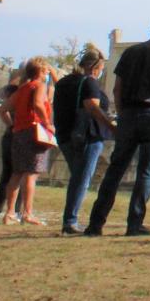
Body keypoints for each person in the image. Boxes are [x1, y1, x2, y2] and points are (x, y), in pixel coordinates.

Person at [87, 17, 150, 236]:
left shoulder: (129, 52)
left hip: (128, 114)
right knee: (146, 172)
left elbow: (117, 88)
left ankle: (95, 224)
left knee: (115, 170)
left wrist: (121, 113)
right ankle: (134, 223)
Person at [53, 48, 114, 235]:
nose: (101, 72)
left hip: (64, 134)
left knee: (77, 177)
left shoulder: (62, 83)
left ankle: (70, 219)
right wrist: (110, 125)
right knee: (81, 179)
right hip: (87, 135)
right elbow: (92, 107)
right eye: (101, 68)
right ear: (95, 67)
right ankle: (70, 221)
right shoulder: (90, 83)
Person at [0, 57, 55, 226]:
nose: (47, 74)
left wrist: (12, 125)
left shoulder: (22, 90)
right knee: (31, 173)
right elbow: (38, 104)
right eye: (45, 71)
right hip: (34, 131)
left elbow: (2, 109)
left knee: (16, 173)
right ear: (40, 72)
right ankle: (27, 213)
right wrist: (47, 124)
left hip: (19, 132)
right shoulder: (39, 86)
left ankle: (9, 213)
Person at [0, 69, 23, 223]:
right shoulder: (22, 93)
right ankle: (14, 211)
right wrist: (14, 126)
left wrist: (10, 126)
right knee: (19, 175)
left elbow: (3, 110)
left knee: (6, 176)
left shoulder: (11, 91)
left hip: (10, 135)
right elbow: (3, 111)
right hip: (19, 135)